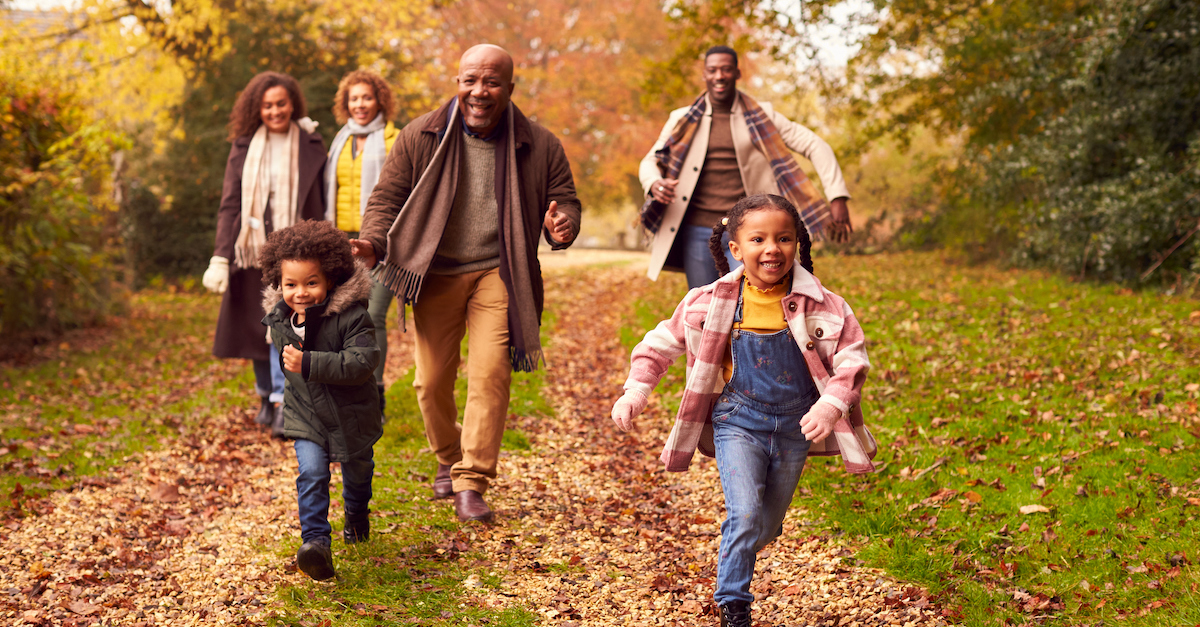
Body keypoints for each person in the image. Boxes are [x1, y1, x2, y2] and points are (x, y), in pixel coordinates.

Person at [610, 194, 877, 627]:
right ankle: (734, 602)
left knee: (765, 527)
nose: (772, 248)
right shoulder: (709, 300)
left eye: (783, 239)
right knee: (746, 515)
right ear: (736, 248)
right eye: (758, 239)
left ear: (797, 245)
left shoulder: (824, 305)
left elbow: (852, 358)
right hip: (738, 420)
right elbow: (660, 343)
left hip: (796, 425)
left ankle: (739, 545)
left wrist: (831, 404)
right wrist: (636, 391)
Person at [353, 44, 581, 523]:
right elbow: (386, 198)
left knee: (490, 373)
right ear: (457, 83)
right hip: (434, 271)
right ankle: (447, 455)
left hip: (501, 272)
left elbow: (566, 200)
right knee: (430, 381)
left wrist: (564, 225)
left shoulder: (540, 144)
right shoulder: (422, 135)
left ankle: (471, 479)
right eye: (470, 80)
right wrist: (374, 243)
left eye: (492, 82)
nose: (479, 91)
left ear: (509, 89)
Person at [639, 46, 854, 289]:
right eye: (713, 70)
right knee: (703, 310)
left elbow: (815, 145)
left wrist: (837, 196)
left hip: (749, 232)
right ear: (705, 75)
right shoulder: (682, 119)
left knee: (753, 304)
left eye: (726, 69)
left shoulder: (762, 116)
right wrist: (655, 183)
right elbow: (650, 161)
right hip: (697, 232)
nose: (719, 75)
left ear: (737, 73)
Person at [202, 71, 327, 437]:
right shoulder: (243, 145)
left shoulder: (309, 142)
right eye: (268, 105)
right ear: (257, 108)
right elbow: (230, 204)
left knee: (287, 327)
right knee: (256, 331)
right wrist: (220, 256)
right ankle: (265, 395)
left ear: (293, 105)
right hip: (250, 251)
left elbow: (319, 198)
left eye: (281, 104)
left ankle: (280, 400)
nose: (275, 111)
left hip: (293, 252)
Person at [259, 220, 382, 581]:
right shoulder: (279, 320)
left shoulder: (353, 317)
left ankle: (357, 515)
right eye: (291, 284)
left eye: (311, 283)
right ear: (278, 284)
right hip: (307, 416)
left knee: (357, 475)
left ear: (329, 279)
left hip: (351, 415)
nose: (300, 293)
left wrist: (309, 362)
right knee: (312, 474)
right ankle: (315, 544)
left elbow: (362, 362)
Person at [326, 70, 402, 415]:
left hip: (383, 243)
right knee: (343, 316)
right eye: (353, 99)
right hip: (342, 241)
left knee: (372, 316)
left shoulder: (395, 140)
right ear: (345, 104)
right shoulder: (340, 141)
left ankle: (376, 392)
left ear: (380, 101)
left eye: (366, 98)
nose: (360, 104)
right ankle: (347, 389)